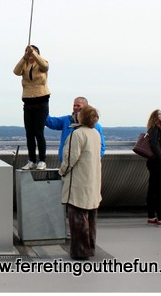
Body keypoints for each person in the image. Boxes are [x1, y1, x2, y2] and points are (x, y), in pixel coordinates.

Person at [59, 104, 102, 260]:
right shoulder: (95, 134)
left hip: (78, 183)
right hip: (92, 181)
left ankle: (80, 251)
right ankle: (90, 248)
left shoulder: (77, 135)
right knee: (91, 218)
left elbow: (70, 159)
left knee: (78, 218)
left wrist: (62, 171)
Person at [13, 44, 50, 170]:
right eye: (28, 52)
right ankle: (32, 160)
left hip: (41, 101)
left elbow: (45, 66)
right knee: (29, 133)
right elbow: (16, 71)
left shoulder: (42, 63)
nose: (30, 54)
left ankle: (42, 160)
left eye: (32, 52)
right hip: (28, 102)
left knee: (39, 132)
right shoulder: (24, 64)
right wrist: (24, 57)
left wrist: (34, 54)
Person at [46, 96, 106, 163]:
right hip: (66, 163)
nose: (75, 108)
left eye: (78, 106)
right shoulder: (66, 120)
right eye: (74, 105)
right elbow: (50, 122)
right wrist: (42, 108)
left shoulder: (95, 126)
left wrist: (92, 160)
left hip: (84, 164)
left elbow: (101, 146)